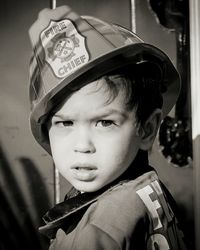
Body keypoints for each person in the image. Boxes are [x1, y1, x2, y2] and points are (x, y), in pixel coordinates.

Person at [28, 5, 187, 250]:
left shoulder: (102, 227)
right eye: (65, 122)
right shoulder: (144, 187)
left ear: (147, 128)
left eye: (105, 122)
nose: (82, 146)